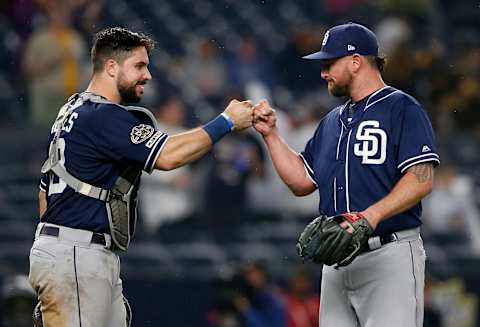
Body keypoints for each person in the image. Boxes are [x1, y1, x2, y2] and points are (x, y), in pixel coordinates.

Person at [29, 27, 255, 327]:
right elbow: (169, 156)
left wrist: (52, 253)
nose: (147, 75)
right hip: (77, 254)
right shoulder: (103, 116)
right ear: (111, 67)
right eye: (139, 65)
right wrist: (226, 121)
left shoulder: (70, 110)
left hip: (75, 252)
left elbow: (44, 193)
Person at [253, 22, 440, 327]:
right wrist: (271, 135)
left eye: (329, 63)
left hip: (389, 255)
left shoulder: (401, 107)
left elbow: (422, 179)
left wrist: (370, 216)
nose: (323, 72)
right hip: (337, 262)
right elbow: (302, 181)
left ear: (356, 62)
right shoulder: (331, 121)